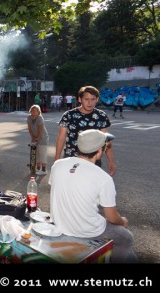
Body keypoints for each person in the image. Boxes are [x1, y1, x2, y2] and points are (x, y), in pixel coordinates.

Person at [49, 130, 137, 263]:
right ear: (100, 151)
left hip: (59, 223)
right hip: (87, 230)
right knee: (126, 238)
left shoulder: (58, 164)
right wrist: (123, 221)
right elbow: (112, 218)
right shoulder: (103, 178)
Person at [55, 85, 116, 176]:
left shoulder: (101, 116)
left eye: (93, 99)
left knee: (91, 187)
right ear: (80, 99)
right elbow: (61, 138)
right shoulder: (69, 115)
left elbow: (106, 141)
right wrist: (57, 159)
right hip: (71, 158)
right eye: (86, 99)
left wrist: (111, 161)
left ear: (97, 99)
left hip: (93, 160)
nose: (90, 102)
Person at [27, 105, 49, 175]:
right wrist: (33, 137)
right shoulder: (29, 117)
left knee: (42, 153)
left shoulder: (40, 118)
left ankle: (44, 170)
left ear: (38, 112)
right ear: (30, 111)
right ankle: (38, 169)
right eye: (32, 110)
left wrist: (38, 137)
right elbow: (29, 128)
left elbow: (40, 128)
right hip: (34, 137)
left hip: (43, 138)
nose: (34, 112)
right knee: (36, 154)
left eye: (35, 111)